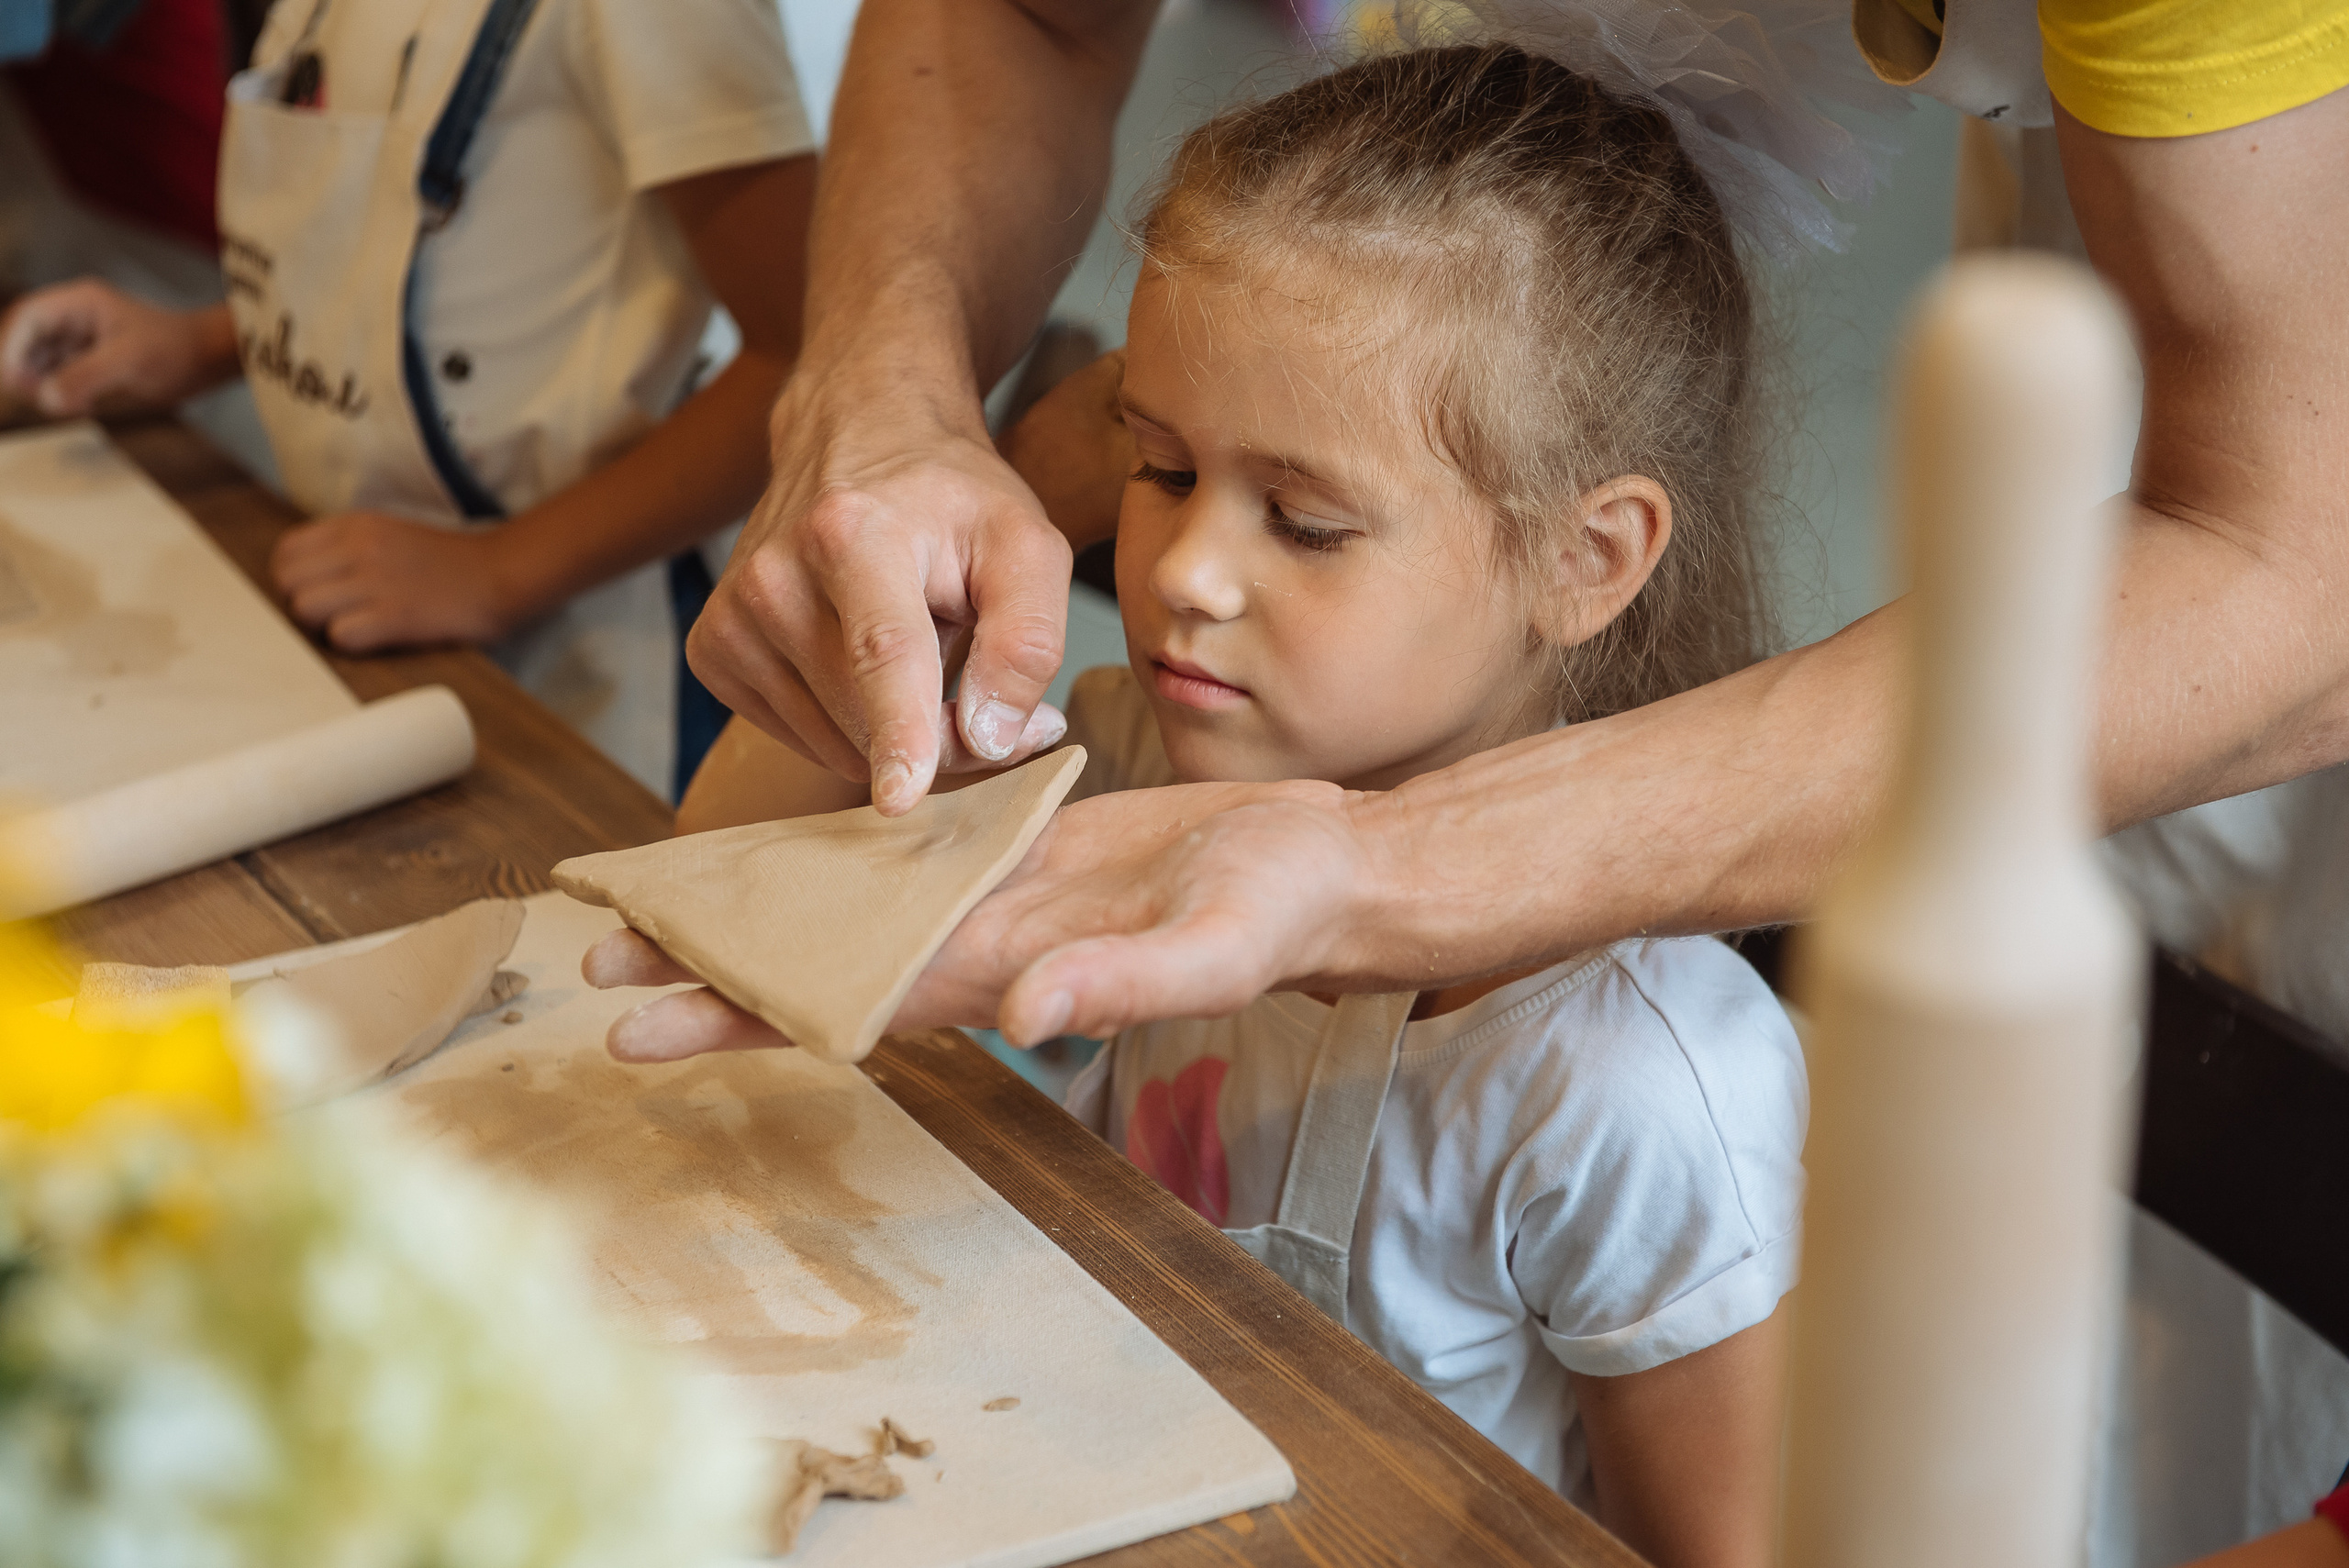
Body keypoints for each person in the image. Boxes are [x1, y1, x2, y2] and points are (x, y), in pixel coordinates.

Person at [645, 45, 1808, 1567]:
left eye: (1307, 521)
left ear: (1585, 560)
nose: (1186, 570)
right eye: (1160, 466)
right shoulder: (1129, 762)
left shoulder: (1634, 1085)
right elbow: (713, 875)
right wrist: (906, 592)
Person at [0, 0, 818, 798]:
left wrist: (495, 573)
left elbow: (803, 356)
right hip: (363, 603)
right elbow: (385, 253)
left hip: (584, 652)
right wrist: (202, 343)